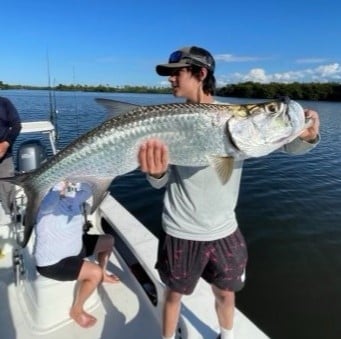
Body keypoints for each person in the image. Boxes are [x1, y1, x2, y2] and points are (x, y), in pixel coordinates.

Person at [137, 46, 320, 339]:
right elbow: (160, 181)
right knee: (173, 295)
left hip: (225, 230)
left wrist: (307, 136)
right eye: (170, 74)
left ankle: (227, 335)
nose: (170, 79)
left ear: (200, 73)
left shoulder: (237, 118)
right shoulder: (166, 120)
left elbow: (286, 144)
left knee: (226, 292)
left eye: (176, 73)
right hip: (181, 230)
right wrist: (155, 172)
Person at [33, 180, 119, 328]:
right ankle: (76, 310)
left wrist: (83, 177)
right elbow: (50, 202)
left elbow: (88, 189)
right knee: (94, 273)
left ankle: (103, 275)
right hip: (53, 263)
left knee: (108, 241)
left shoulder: (74, 197)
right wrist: (59, 183)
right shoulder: (45, 204)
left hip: (75, 249)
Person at [0, 96, 22, 223]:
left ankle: (12, 212)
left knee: (7, 188)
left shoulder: (4, 103)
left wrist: (6, 144)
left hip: (4, 155)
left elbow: (16, 126)